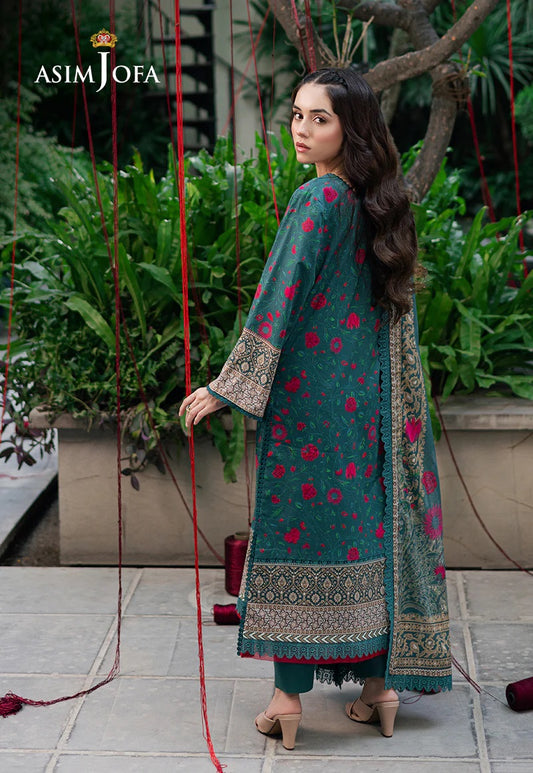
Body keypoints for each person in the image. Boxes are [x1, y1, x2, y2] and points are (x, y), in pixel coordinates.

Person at [179, 67, 451, 750]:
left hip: (309, 406)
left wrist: (227, 386)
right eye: (297, 115)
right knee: (365, 535)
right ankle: (377, 689)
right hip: (371, 405)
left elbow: (280, 295)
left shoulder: (318, 198)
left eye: (319, 118)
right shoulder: (382, 202)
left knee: (297, 536)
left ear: (351, 128)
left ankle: (286, 700)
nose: (301, 129)